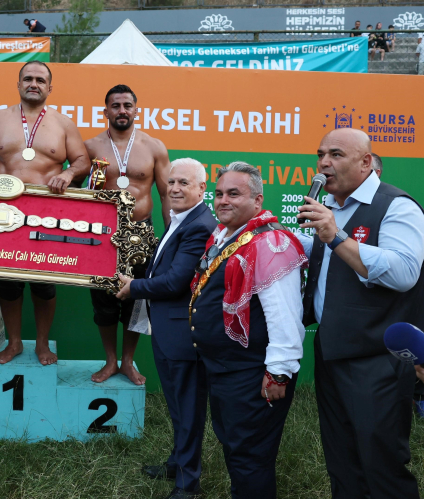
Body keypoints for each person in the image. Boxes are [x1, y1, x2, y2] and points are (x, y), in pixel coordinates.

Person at [297, 127, 424, 499]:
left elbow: (404, 272)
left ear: (366, 162)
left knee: (381, 465)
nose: (324, 163)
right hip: (332, 350)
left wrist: (336, 236)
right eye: (321, 154)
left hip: (377, 359)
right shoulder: (331, 207)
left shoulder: (397, 206)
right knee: (342, 463)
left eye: (336, 155)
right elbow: (327, 260)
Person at [0, 61, 91, 366]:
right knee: (9, 281)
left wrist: (68, 174)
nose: (34, 83)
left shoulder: (64, 124)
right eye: (28, 78)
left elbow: (82, 160)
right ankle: (14, 342)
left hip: (46, 212)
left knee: (44, 282)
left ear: (49, 88)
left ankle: (42, 343)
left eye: (40, 80)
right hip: (2, 210)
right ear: (18, 84)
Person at [190, 162, 307, 498]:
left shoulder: (270, 243)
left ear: (257, 200)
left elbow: (285, 316)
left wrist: (279, 372)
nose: (223, 200)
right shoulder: (227, 235)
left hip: (252, 373)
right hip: (227, 370)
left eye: (234, 194)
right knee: (236, 447)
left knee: (250, 457)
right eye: (219, 194)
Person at [116, 158, 217, 497]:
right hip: (166, 328)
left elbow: (175, 282)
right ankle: (177, 463)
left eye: (183, 183)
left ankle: (188, 484)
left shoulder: (199, 225)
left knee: (188, 408)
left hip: (183, 332)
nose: (174, 188)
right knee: (177, 404)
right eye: (171, 182)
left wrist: (133, 287)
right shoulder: (182, 218)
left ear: (202, 189)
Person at [82, 84, 170, 385]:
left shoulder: (154, 147)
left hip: (141, 232)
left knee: (137, 300)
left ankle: (128, 361)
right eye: (115, 105)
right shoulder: (91, 146)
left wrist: (169, 238)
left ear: (136, 110)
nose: (122, 110)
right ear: (105, 111)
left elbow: (166, 195)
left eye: (127, 105)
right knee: (103, 302)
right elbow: (75, 191)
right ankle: (110, 361)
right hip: (102, 235)